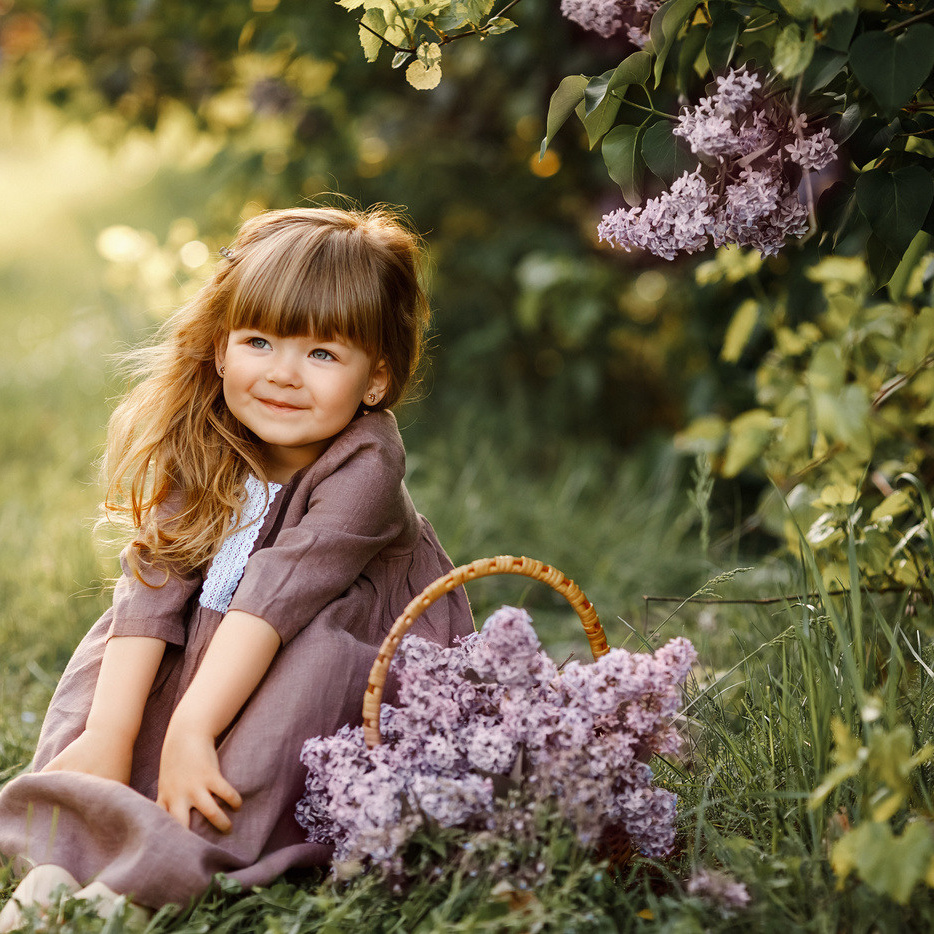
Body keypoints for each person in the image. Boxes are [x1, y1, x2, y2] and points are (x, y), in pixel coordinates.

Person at [0, 206, 473, 926]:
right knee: (111, 674)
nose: (283, 374)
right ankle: (62, 855)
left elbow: (277, 600)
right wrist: (112, 733)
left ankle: (159, 875)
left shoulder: (366, 466)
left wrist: (193, 728)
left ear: (375, 379)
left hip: (313, 648)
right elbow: (155, 583)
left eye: (322, 354)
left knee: (297, 690)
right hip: (214, 644)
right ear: (221, 350)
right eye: (258, 341)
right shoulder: (206, 436)